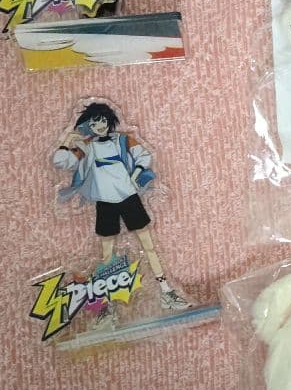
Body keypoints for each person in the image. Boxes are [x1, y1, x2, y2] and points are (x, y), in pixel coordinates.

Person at [53, 101, 190, 324]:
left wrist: (135, 174)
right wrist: (67, 138)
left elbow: (144, 156)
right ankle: (107, 306)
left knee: (149, 245)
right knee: (107, 255)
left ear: (109, 121)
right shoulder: (87, 146)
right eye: (94, 123)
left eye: (102, 121)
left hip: (129, 197)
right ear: (89, 125)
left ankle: (166, 291)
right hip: (105, 203)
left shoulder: (123, 140)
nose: (99, 126)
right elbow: (60, 161)